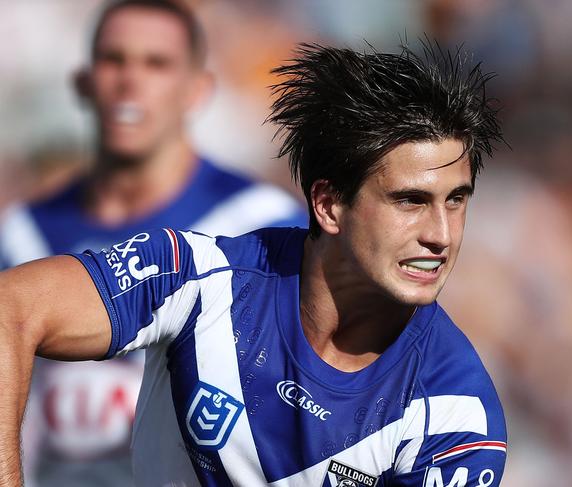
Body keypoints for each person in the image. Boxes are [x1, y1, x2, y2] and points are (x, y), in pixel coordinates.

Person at [0, 41, 507, 486]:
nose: (442, 234)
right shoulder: (198, 279)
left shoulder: (455, 416)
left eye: (457, 200)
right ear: (329, 205)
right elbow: (11, 309)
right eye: (410, 201)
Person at [0, 1, 306, 486]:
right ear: (84, 82)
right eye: (114, 60)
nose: (130, 81)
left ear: (198, 90)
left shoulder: (263, 227)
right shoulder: (21, 234)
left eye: (156, 64)